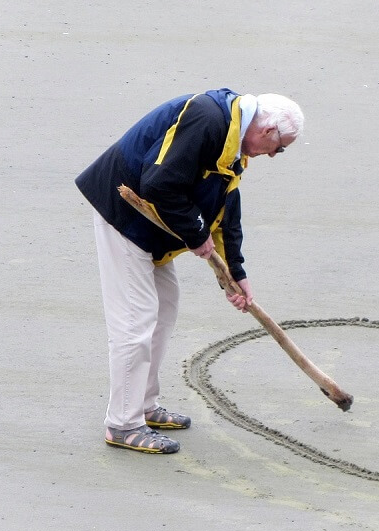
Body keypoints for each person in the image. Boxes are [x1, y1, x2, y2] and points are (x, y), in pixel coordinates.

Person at [76, 89, 303, 454]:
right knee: (135, 321)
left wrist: (235, 274)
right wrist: (196, 237)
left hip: (151, 227)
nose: (274, 155)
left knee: (165, 307)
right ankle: (122, 423)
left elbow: (225, 205)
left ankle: (143, 406)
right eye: (280, 147)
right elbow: (158, 183)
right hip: (123, 216)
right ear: (267, 130)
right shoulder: (208, 119)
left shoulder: (233, 142)